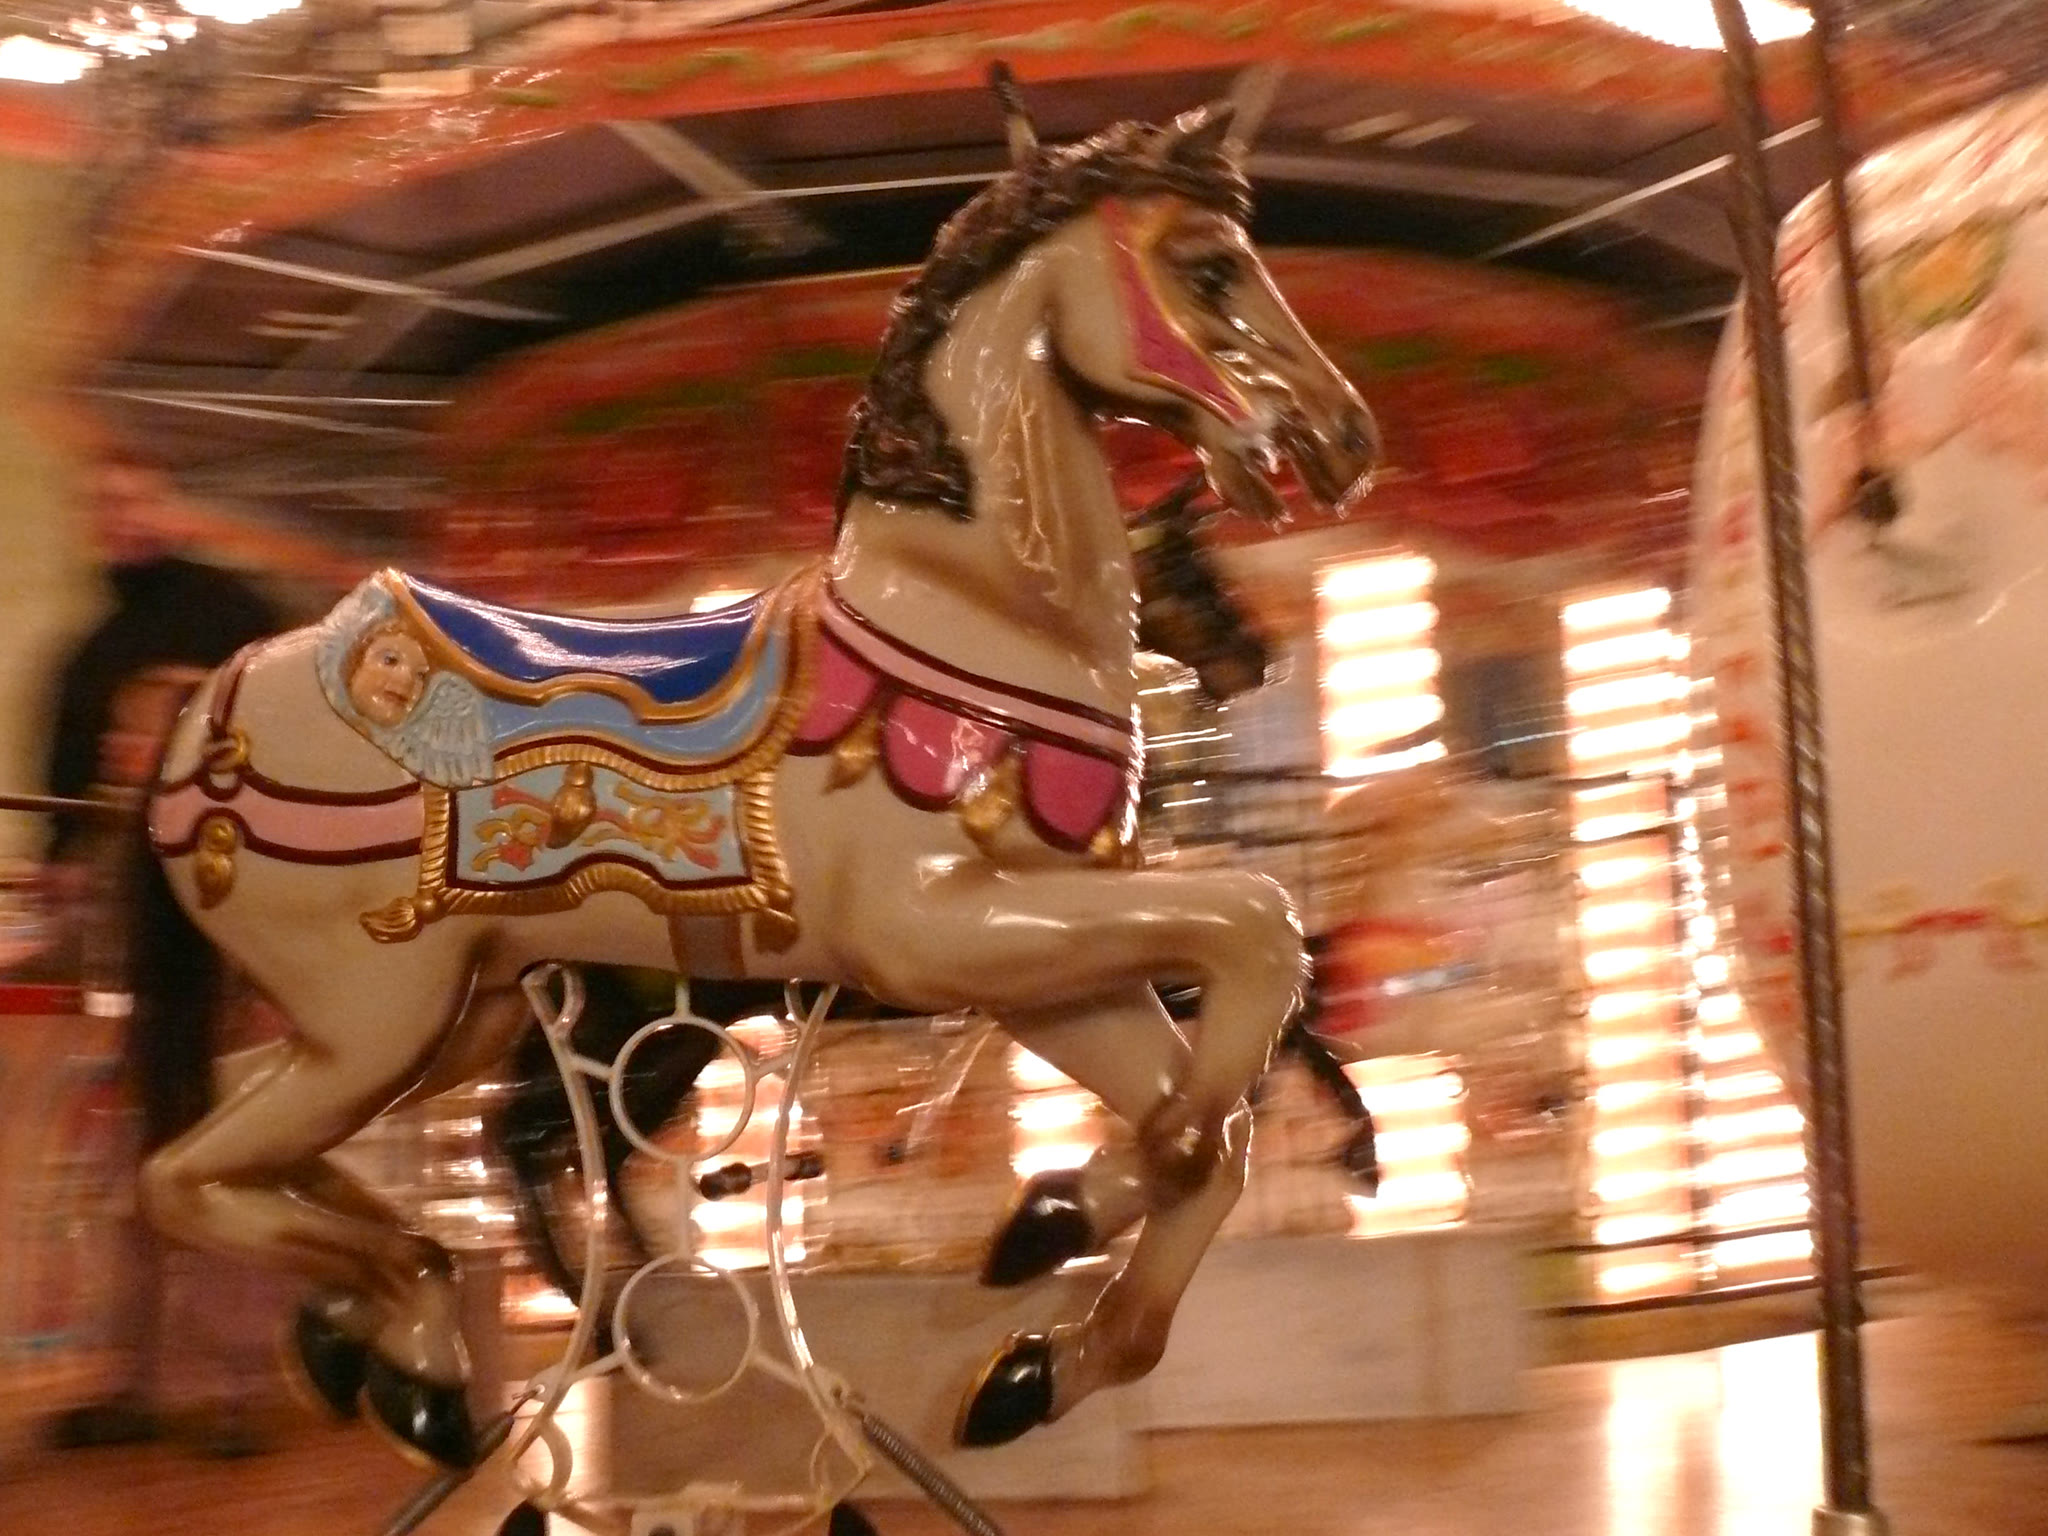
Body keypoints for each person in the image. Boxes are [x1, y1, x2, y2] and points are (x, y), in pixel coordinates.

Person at [38, 460, 281, 1452]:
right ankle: (136, 1380)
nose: (120, 518)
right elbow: (71, 830)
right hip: (148, 967)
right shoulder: (92, 652)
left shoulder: (235, 618)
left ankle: (235, 1385)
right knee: (138, 1177)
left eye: (136, 499)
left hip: (222, 963)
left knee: (225, 1168)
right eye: (106, 502)